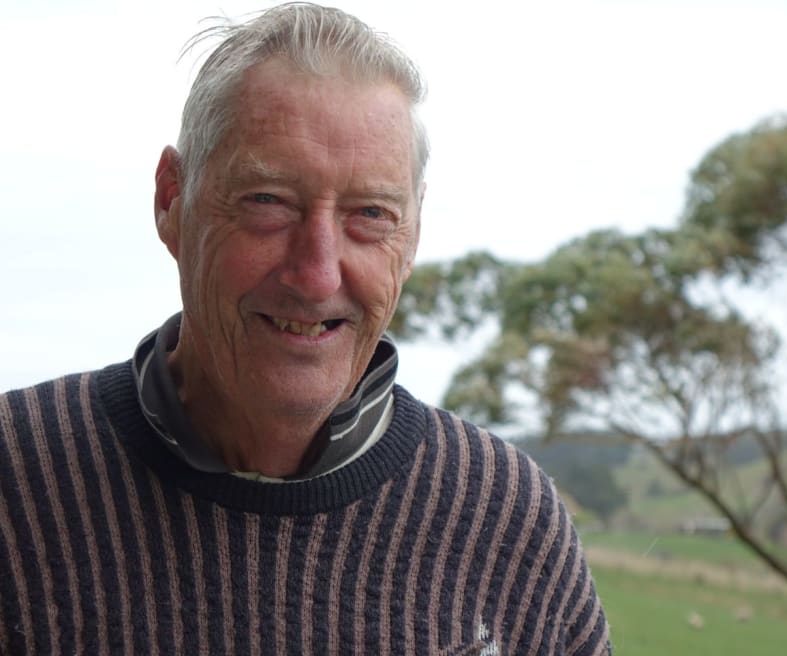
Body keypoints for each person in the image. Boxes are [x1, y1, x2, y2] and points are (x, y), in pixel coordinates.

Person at [0, 4, 611, 654]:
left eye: (370, 213)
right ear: (171, 200)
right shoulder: (16, 485)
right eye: (269, 201)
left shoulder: (505, 521)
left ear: (413, 236)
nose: (317, 275)